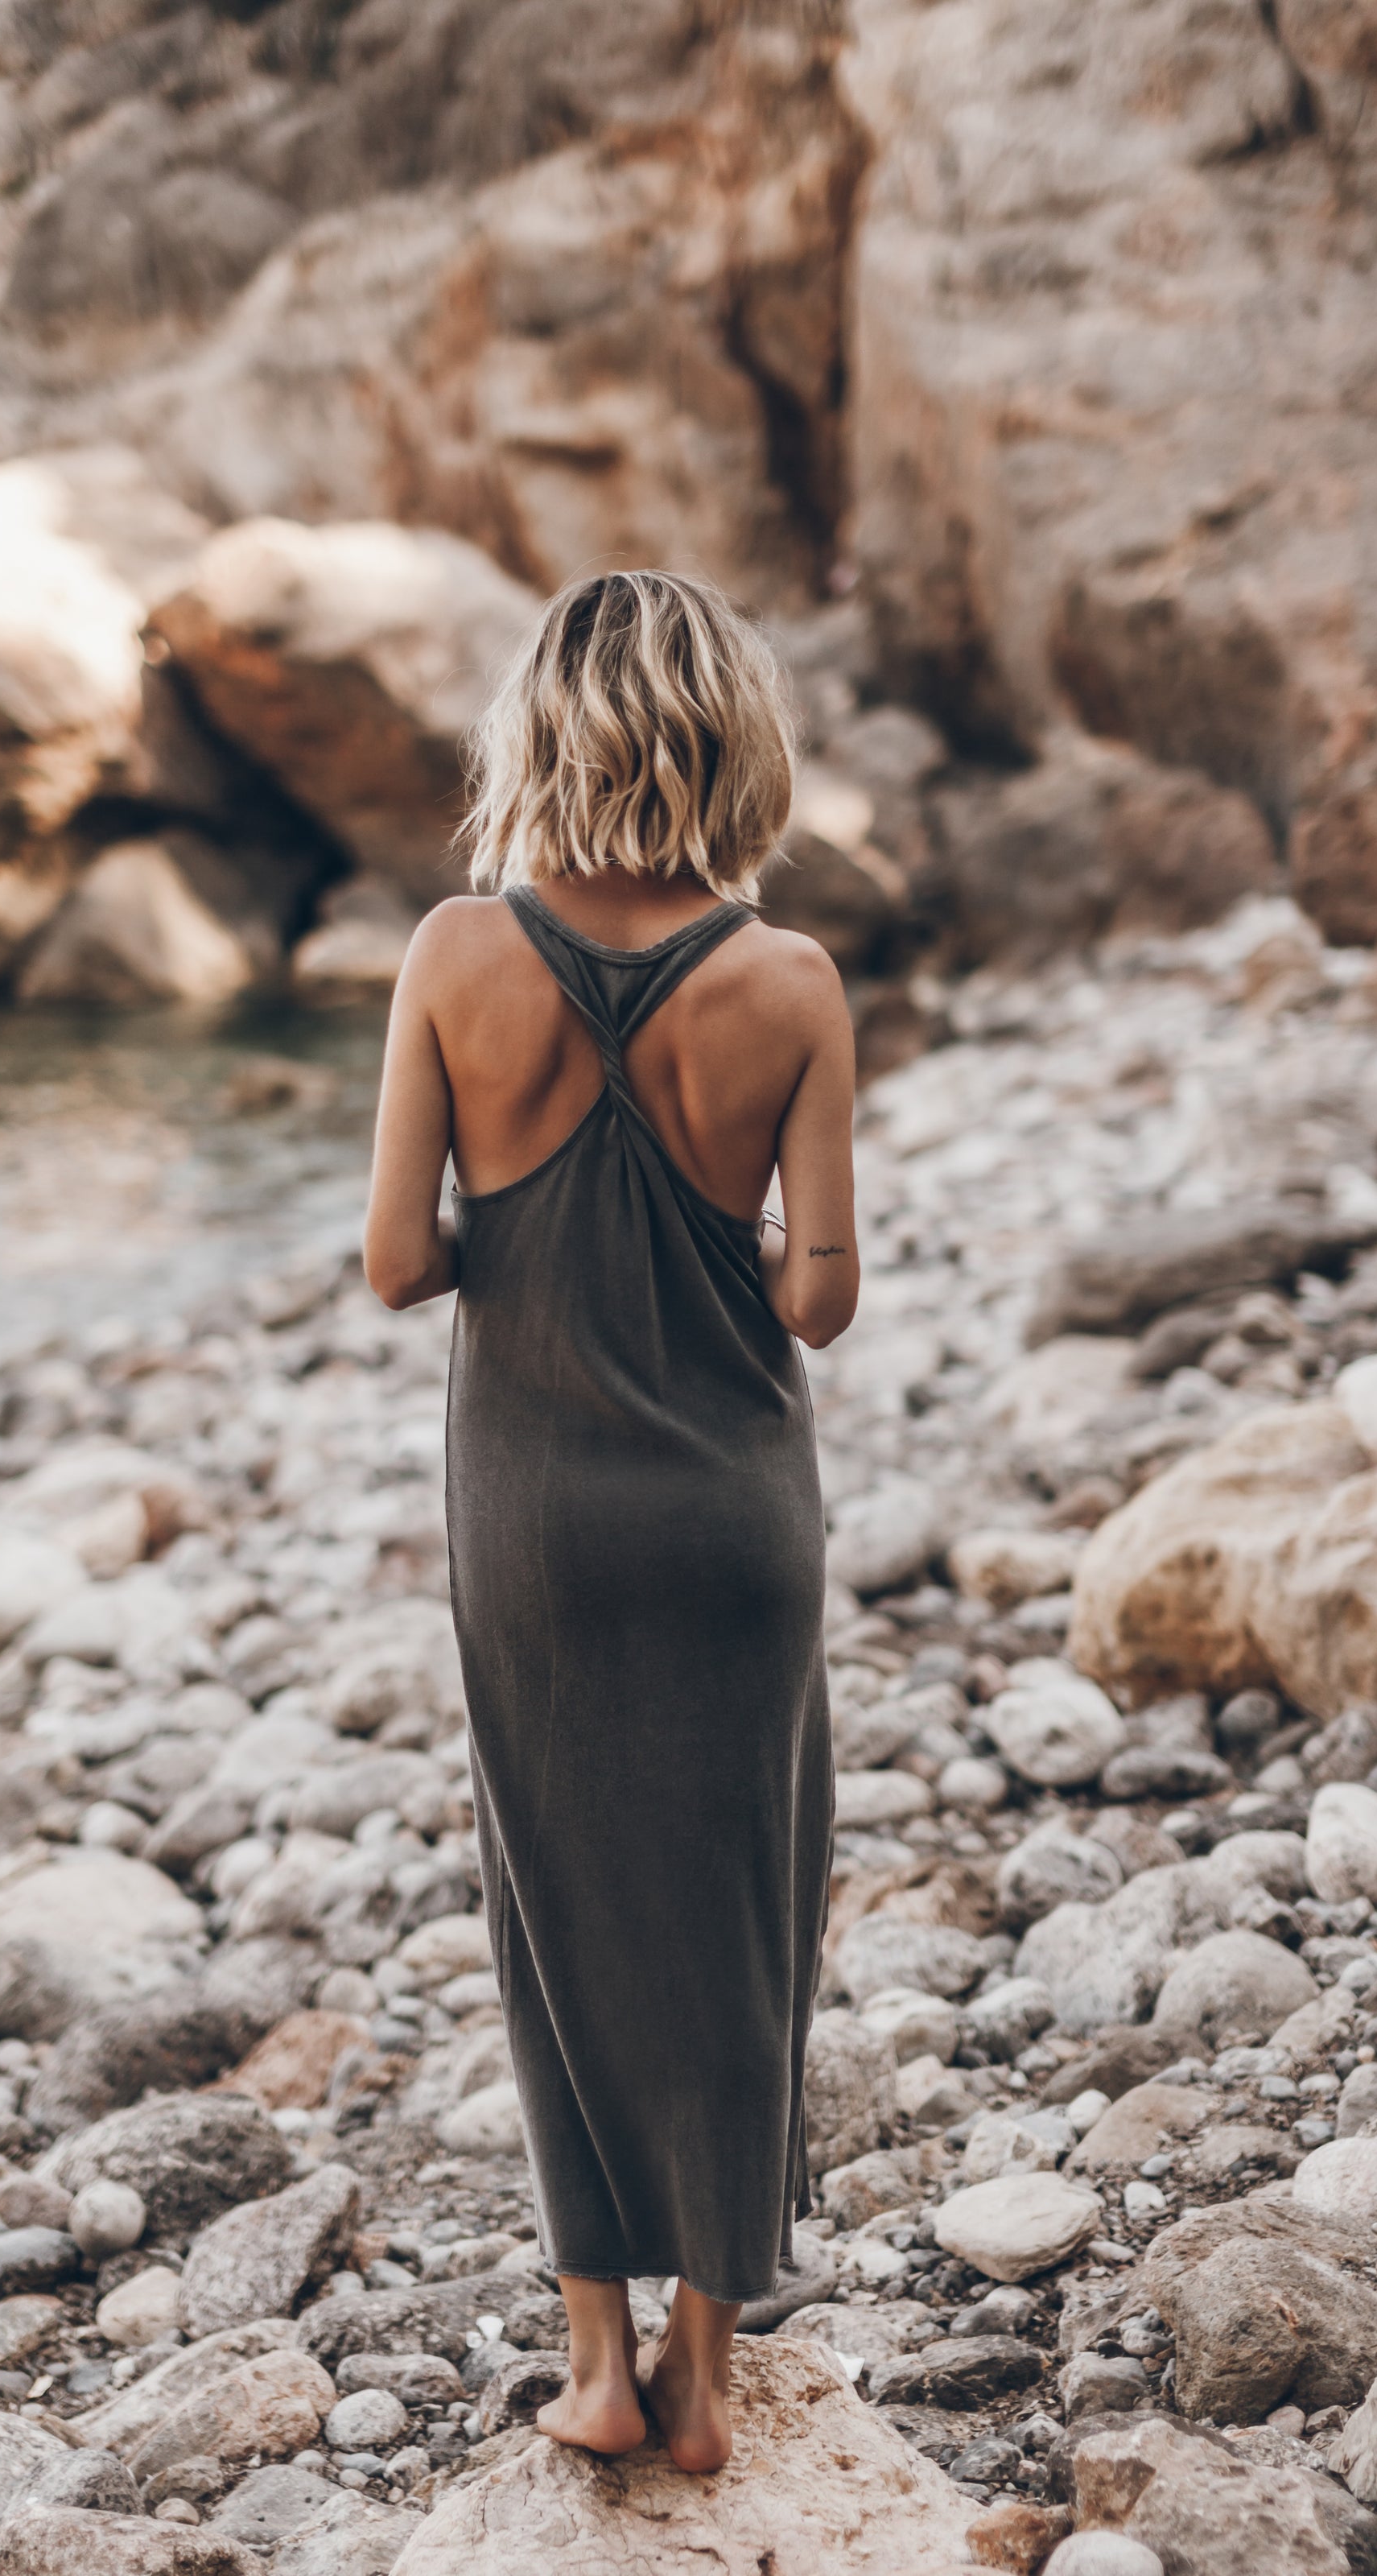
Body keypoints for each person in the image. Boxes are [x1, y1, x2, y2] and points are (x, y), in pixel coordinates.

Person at [363, 568, 857, 2474]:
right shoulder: (790, 981)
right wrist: (707, 1227)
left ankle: (589, 2363)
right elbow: (814, 1300)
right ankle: (707, 2374)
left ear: (539, 738)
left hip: (537, 1514)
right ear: (730, 739)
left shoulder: (449, 954)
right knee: (743, 1904)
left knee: (551, 1903)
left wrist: (538, 1216)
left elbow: (401, 1261)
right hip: (735, 1517)